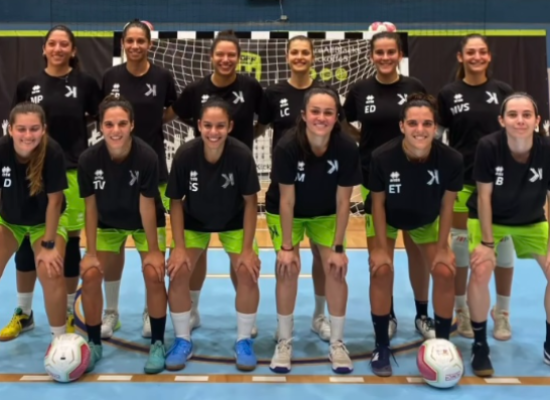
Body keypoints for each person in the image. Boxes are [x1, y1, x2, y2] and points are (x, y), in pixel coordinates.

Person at [0, 25, 102, 342]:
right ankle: (24, 312)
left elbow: (98, 118)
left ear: (73, 50)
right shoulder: (27, 85)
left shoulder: (85, 83)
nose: (58, 49)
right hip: (25, 175)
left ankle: (67, 312)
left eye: (64, 44)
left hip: (67, 171)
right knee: (24, 241)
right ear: (43, 48)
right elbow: (19, 120)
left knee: (63, 245)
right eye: (52, 44)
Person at [164, 30, 264, 337]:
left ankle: (245, 326)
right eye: (220, 53)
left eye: (231, 54)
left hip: (235, 182)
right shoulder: (196, 95)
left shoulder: (250, 88)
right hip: (200, 194)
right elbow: (175, 202)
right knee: (186, 262)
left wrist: (246, 140)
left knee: (244, 265)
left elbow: (268, 117)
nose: (225, 59)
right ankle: (189, 315)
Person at [343, 31, 435, 340]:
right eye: (379, 52)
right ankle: (389, 314)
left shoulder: (414, 87)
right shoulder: (360, 89)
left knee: (417, 250)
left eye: (390, 52)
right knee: (382, 253)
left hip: (415, 177)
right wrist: (362, 141)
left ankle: (422, 314)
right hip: (374, 178)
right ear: (371, 56)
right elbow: (344, 120)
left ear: (400, 55)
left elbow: (424, 124)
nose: (385, 57)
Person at [366, 93, 463, 377]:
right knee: (381, 269)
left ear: (436, 127)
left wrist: (444, 248)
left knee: (445, 270)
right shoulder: (382, 157)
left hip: (425, 217)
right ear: (402, 126)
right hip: (387, 217)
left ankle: (442, 343)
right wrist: (380, 248)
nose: (420, 130)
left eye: (427, 123)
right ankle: (381, 345)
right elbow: (378, 204)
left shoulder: (451, 159)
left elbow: (447, 205)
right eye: (413, 123)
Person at [266, 87, 361, 374]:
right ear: (304, 115)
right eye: (315, 111)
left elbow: (344, 201)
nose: (321, 117)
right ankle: (284, 340)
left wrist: (339, 249)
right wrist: (286, 248)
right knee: (288, 267)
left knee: (334, 267)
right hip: (288, 211)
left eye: (328, 112)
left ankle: (335, 339)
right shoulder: (287, 146)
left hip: (327, 211)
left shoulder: (346, 148)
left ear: (337, 117)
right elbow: (287, 200)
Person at [164, 97, 262, 372]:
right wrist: (179, 248)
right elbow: (175, 202)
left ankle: (243, 340)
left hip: (234, 221)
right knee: (178, 271)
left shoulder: (241, 155)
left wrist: (247, 250)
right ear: (199, 125)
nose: (213, 132)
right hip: (194, 221)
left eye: (220, 126)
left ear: (230, 126)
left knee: (247, 271)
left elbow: (251, 202)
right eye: (208, 125)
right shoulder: (185, 155)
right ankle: (183, 339)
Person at [77, 95, 168, 374]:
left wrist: (154, 251)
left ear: (132, 125)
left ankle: (157, 343)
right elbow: (90, 207)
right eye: (109, 124)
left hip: (144, 222)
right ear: (100, 127)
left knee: (154, 273)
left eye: (122, 124)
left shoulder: (147, 157)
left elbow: (147, 205)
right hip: (107, 223)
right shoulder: (88, 159)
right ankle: (94, 343)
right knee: (90, 274)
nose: (115, 130)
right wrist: (90, 253)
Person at [99, 19, 178, 340]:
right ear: (123, 44)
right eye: (129, 41)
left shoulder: (162, 77)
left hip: (152, 168)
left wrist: (150, 126)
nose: (134, 46)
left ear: (150, 44)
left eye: (140, 41)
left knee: (151, 245)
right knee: (112, 244)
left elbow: (171, 110)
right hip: (115, 170)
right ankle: (111, 312)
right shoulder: (110, 77)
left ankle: (150, 309)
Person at [437, 33, 515, 341]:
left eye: (482, 51)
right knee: (461, 252)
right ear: (461, 57)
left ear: (489, 56)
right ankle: (462, 310)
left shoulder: (503, 92)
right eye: (471, 52)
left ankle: (502, 312)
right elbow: (437, 138)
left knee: (503, 250)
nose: (477, 57)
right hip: (462, 183)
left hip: (499, 185)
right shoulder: (448, 93)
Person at [465, 93, 550, 376]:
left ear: (537, 120)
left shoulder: (547, 149)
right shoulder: (489, 146)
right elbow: (484, 197)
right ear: (502, 120)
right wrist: (487, 243)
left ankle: (549, 343)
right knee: (480, 269)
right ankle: (480, 345)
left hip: (531, 220)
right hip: (490, 218)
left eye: (527, 115)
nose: (520, 120)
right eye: (513, 115)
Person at [257, 35, 332, 342]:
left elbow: (337, 131)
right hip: (285, 187)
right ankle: (284, 324)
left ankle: (319, 316)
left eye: (305, 52)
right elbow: (260, 128)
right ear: (287, 57)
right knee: (287, 261)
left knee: (322, 258)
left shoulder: (325, 93)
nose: (300, 57)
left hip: (320, 187)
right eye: (295, 52)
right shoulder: (274, 93)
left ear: (312, 57)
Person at [1, 102, 69, 345]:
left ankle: (59, 341)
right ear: (10, 129)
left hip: (46, 220)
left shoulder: (53, 152)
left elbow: (55, 202)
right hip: (11, 220)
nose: (28, 135)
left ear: (43, 129)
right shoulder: (2, 150)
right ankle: (25, 317)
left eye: (34, 129)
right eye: (21, 129)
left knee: (50, 270)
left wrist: (49, 246)